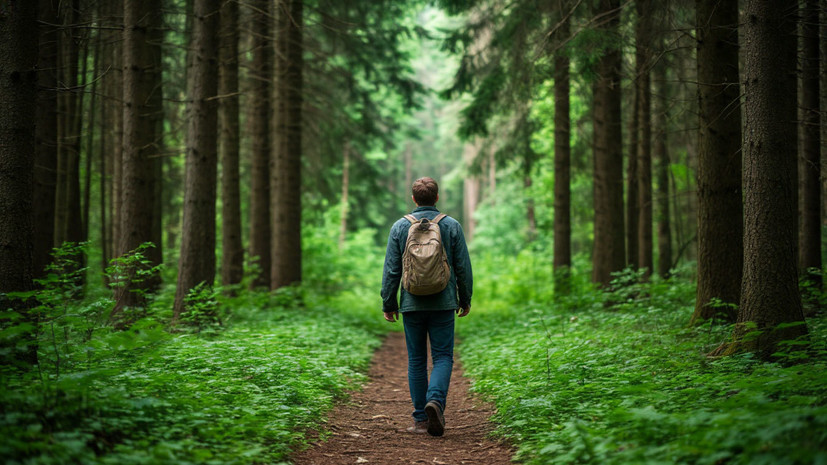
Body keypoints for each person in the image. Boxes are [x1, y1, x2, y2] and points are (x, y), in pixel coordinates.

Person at [381, 177, 473, 437]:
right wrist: (464, 298)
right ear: (437, 197)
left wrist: (389, 302)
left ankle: (421, 418)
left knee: (417, 360)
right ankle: (436, 401)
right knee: (443, 357)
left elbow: (391, 270)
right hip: (443, 302)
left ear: (413, 199)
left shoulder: (400, 227)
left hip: (411, 303)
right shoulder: (451, 225)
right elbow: (463, 267)